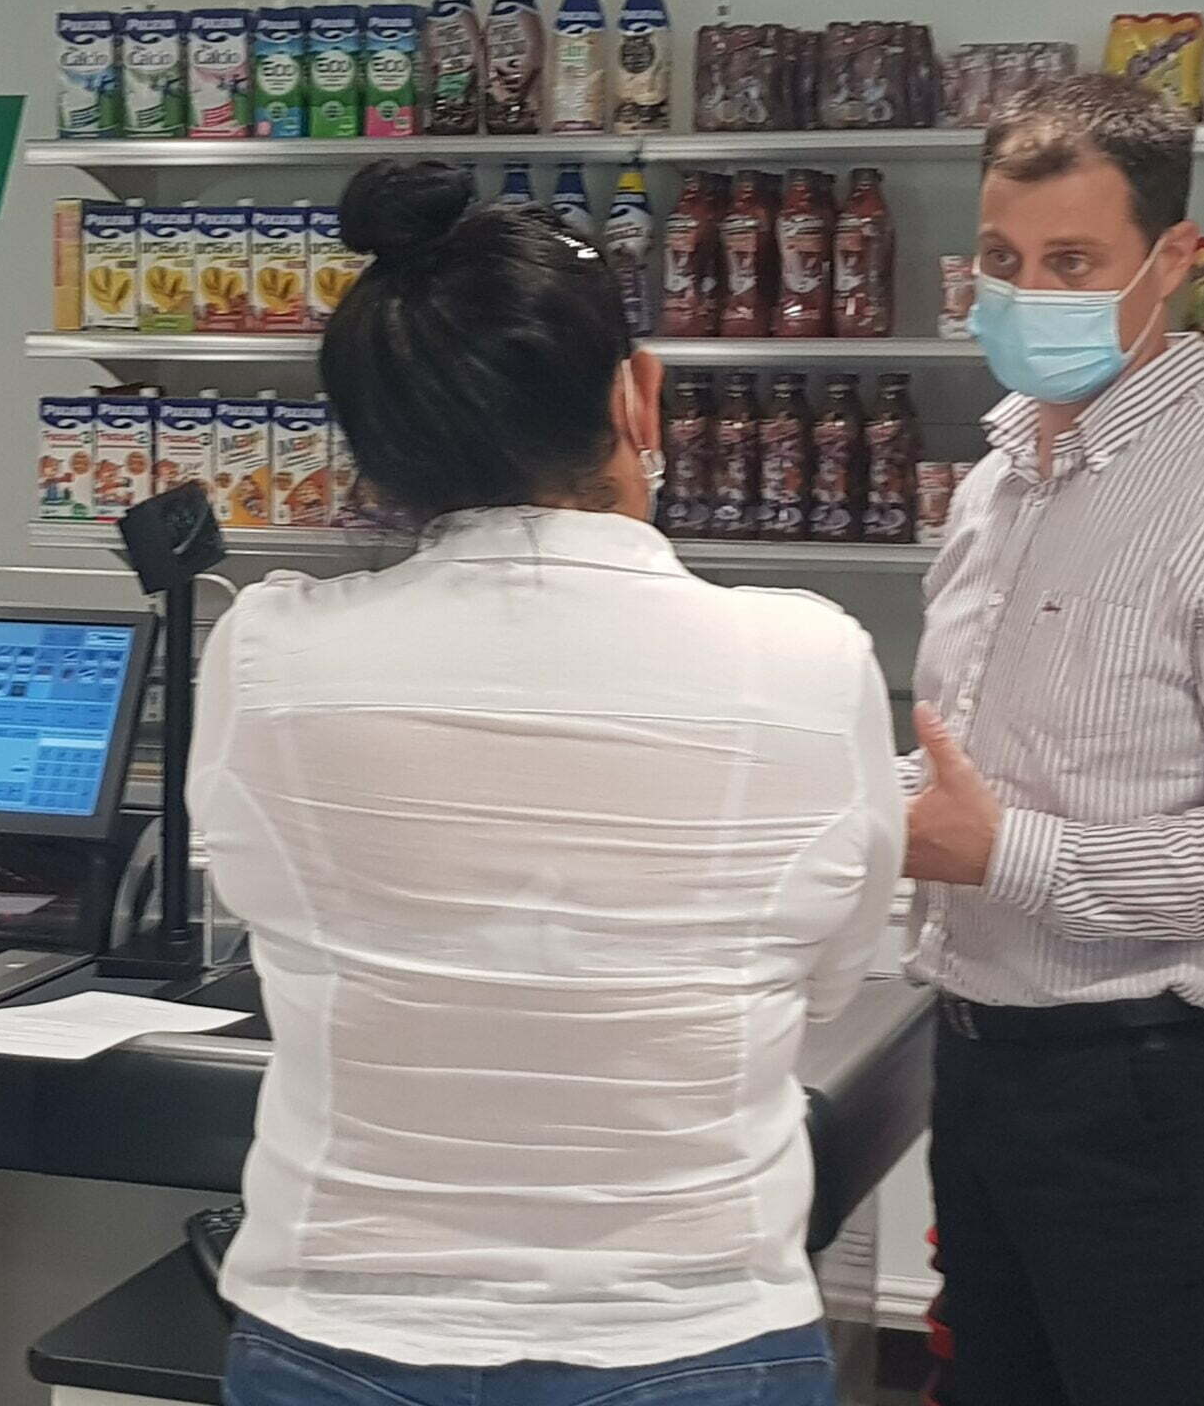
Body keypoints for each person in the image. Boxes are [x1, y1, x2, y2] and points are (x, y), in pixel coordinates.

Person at [189, 159, 904, 1406]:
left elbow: (259, 905)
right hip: (694, 1331)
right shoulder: (807, 662)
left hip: (343, 1329)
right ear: (638, 397)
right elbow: (833, 975)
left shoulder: (267, 654)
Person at [899, 75, 1204, 1406]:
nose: (1026, 294)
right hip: (984, 1067)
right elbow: (987, 770)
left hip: (1158, 1099)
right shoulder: (997, 484)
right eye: (1002, 260)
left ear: (1173, 258)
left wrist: (1009, 855)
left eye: (1072, 263)